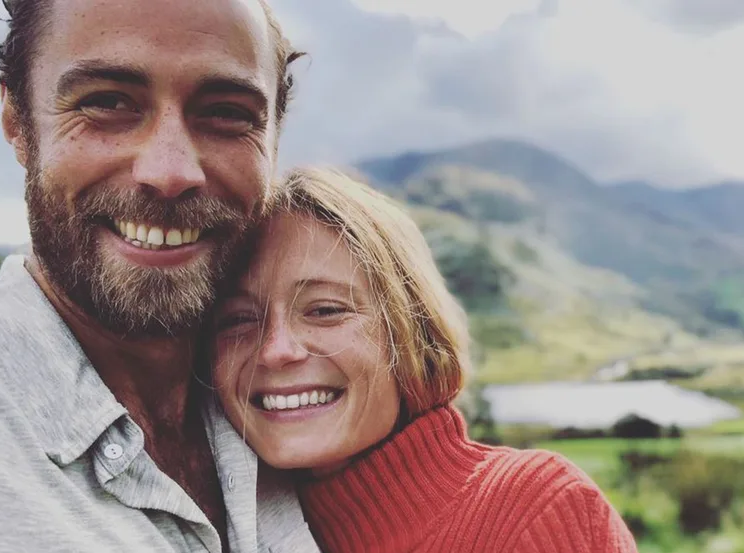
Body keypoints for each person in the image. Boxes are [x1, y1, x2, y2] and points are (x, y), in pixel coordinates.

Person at [0, 0, 320, 551]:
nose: (171, 171)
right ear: (17, 121)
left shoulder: (304, 414)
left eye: (227, 112)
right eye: (107, 102)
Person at [212, 167, 639, 553]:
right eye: (238, 319)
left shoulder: (537, 510)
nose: (275, 350)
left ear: (412, 331)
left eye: (325, 310)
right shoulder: (212, 533)